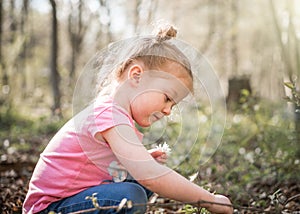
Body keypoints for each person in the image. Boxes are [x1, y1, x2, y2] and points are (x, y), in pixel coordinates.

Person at [23, 25, 233, 214]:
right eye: (167, 98)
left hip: (72, 199)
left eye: (173, 105)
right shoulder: (108, 113)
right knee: (131, 195)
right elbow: (150, 175)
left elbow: (97, 167)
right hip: (50, 208)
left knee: (138, 185)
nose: (168, 110)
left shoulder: (115, 113)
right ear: (136, 76)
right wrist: (210, 200)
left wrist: (137, 160)